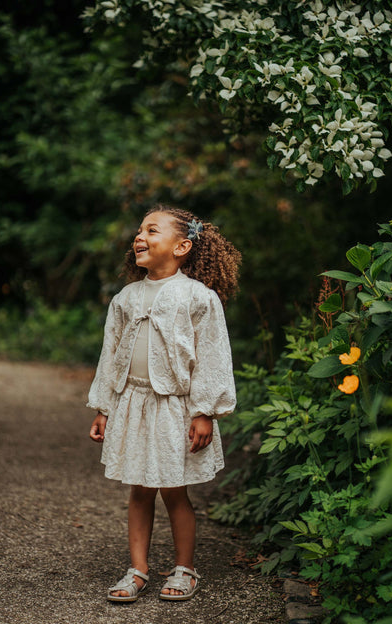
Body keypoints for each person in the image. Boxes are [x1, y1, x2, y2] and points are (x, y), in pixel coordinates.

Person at [88, 204, 241, 603]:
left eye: (152, 231)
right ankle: (137, 570)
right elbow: (111, 353)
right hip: (133, 404)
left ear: (181, 246)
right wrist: (104, 406)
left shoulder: (198, 297)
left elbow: (211, 355)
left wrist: (204, 410)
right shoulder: (125, 297)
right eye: (139, 230)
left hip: (176, 408)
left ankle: (184, 569)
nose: (140, 236)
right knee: (139, 490)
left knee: (175, 490)